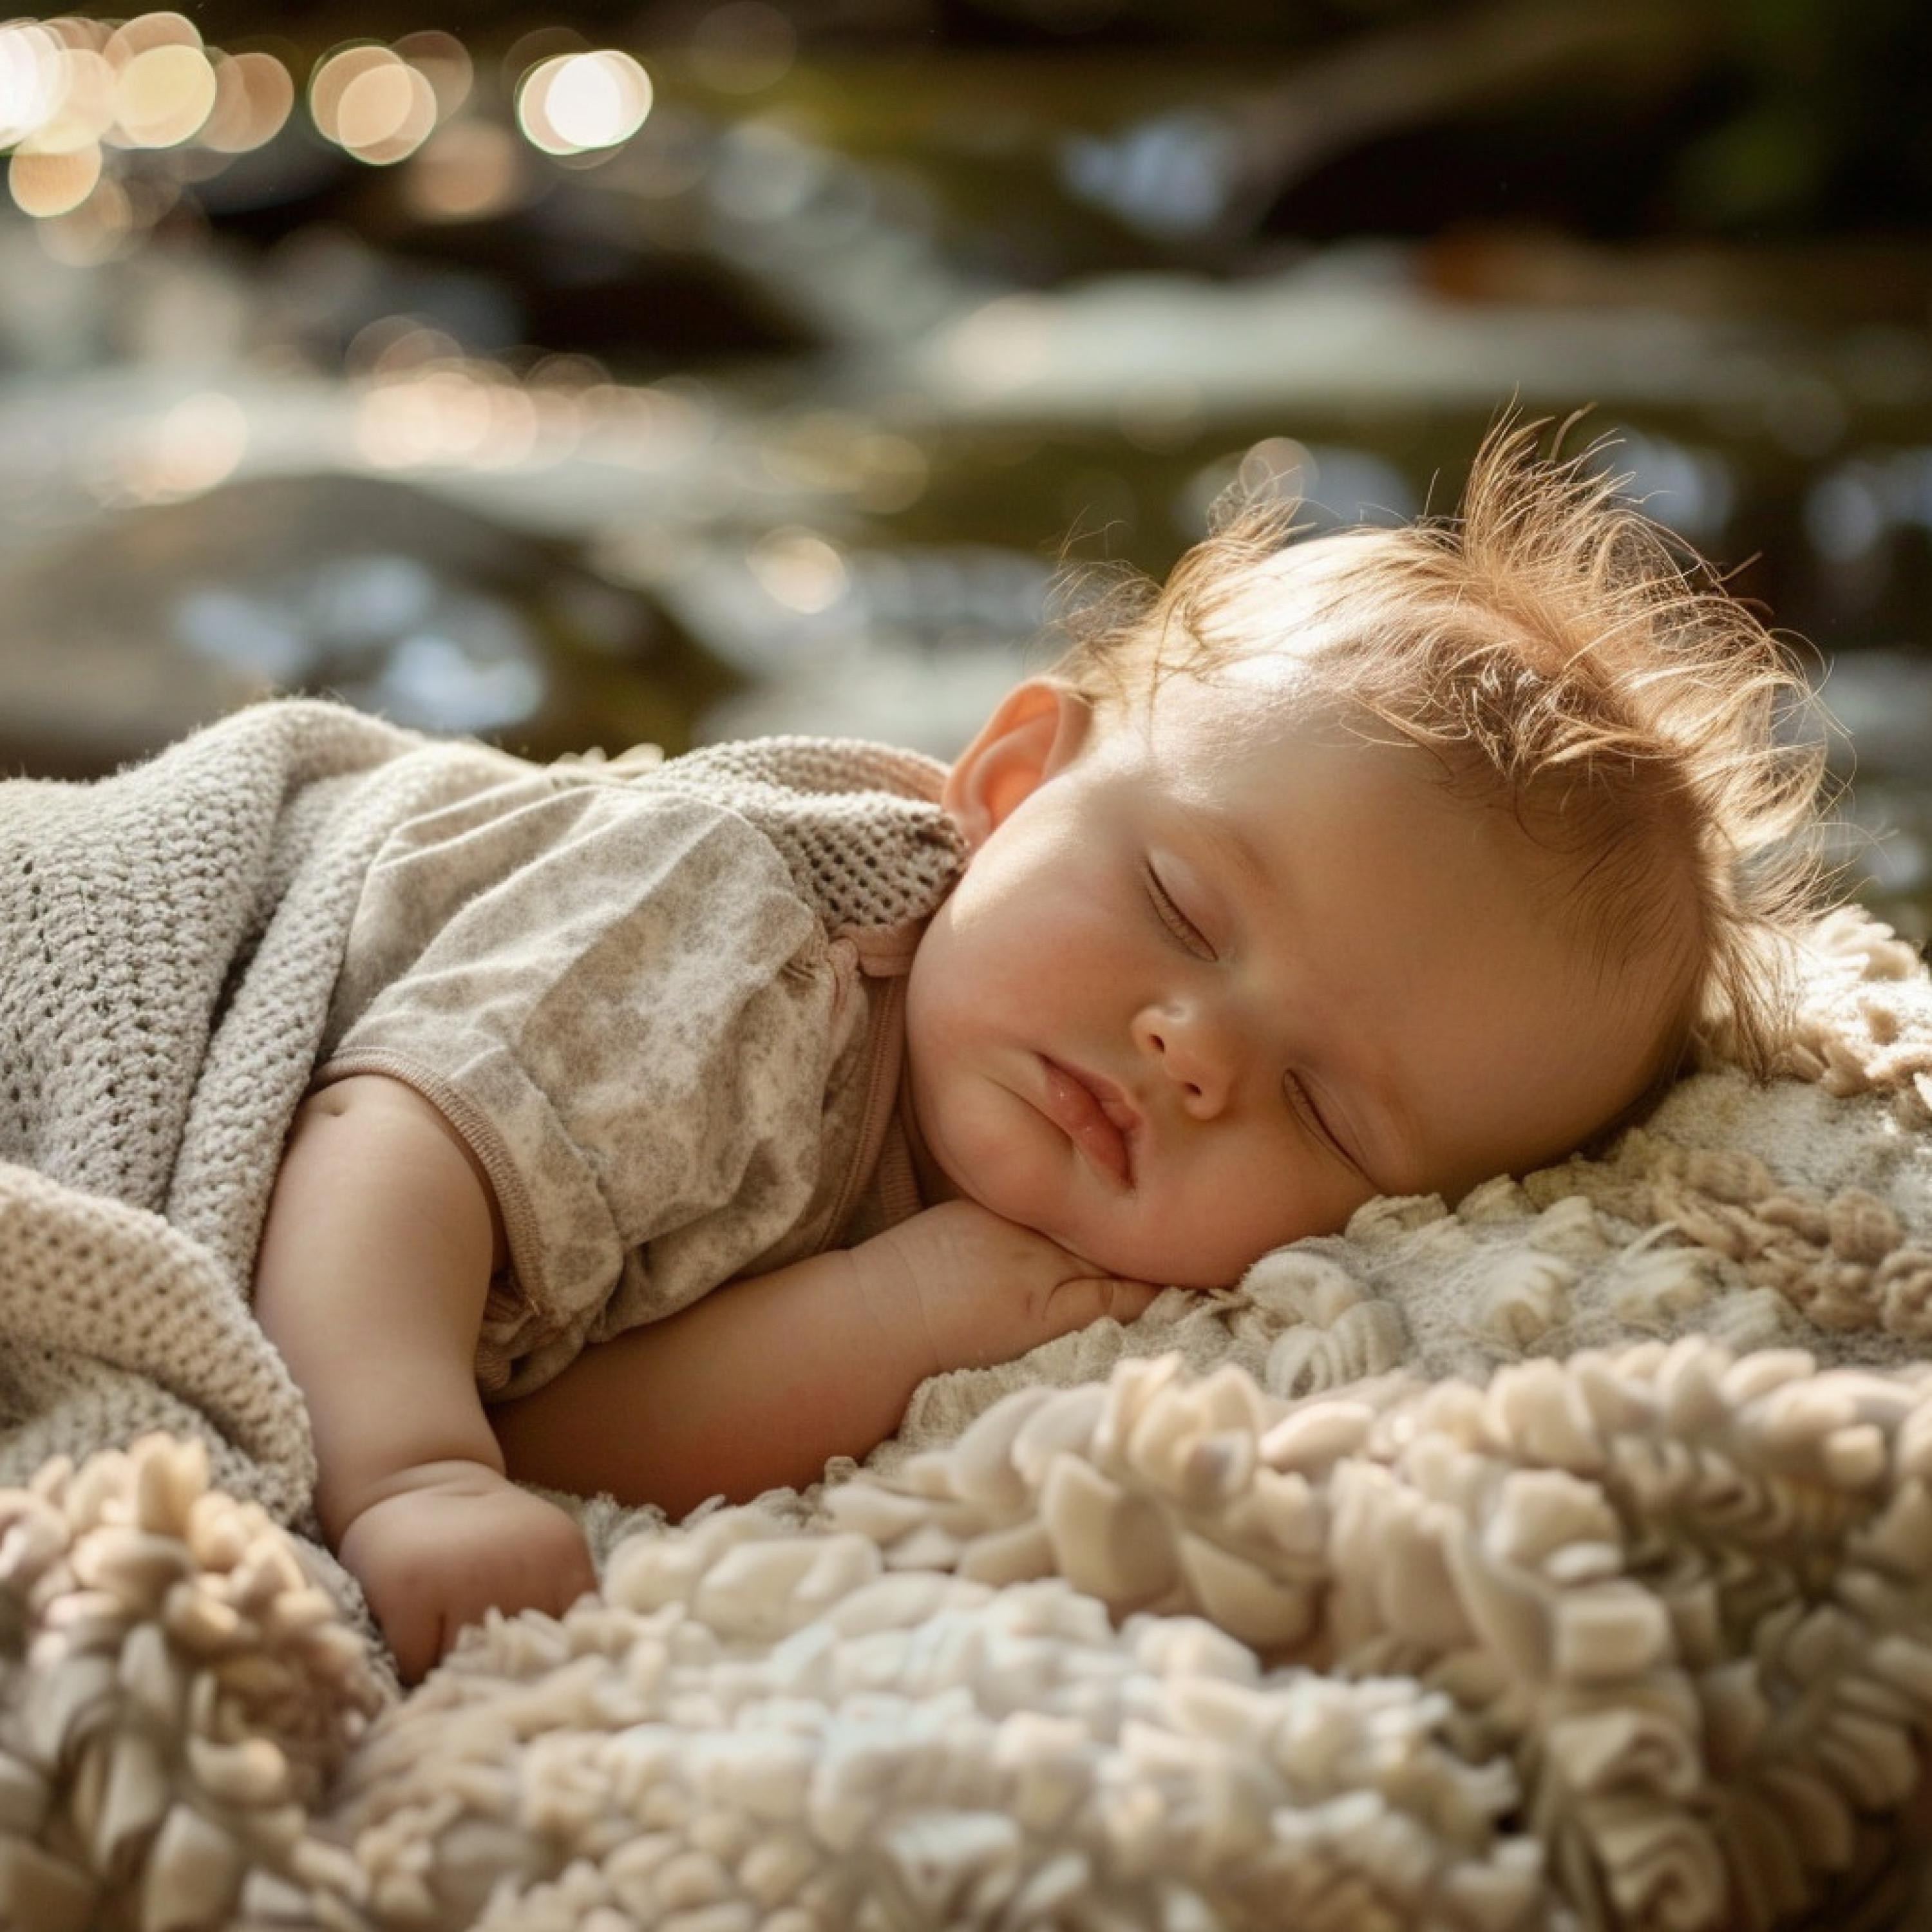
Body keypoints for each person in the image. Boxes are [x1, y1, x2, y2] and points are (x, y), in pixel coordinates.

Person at [249, 421, 1833, 1681]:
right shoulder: (726, 934)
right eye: (1182, 908)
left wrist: (893, 1316)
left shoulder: (1055, 1295)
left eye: (1323, 1110)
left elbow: (550, 1421)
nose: (1195, 1046)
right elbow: (391, 1150)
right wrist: (405, 1479)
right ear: (1006, 786)